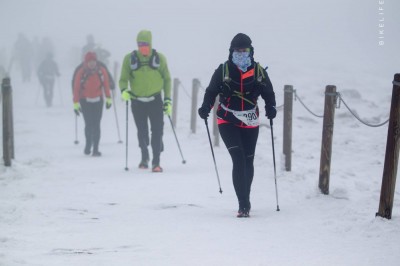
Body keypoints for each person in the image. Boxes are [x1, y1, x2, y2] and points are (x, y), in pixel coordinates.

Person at [198, 33, 276, 218]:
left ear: (251, 51)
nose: (241, 53)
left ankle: (245, 198)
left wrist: (271, 107)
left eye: (244, 50)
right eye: (237, 50)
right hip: (227, 119)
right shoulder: (223, 70)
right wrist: (205, 108)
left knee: (248, 160)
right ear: (231, 51)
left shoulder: (258, 71)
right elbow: (211, 91)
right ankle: (243, 203)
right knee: (238, 158)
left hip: (250, 120)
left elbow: (269, 92)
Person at [119, 29, 171, 173]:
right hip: (137, 101)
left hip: (155, 100)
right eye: (140, 44)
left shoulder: (159, 58)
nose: (143, 47)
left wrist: (167, 100)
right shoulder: (129, 59)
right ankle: (144, 156)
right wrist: (124, 91)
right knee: (142, 131)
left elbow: (167, 80)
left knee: (157, 131)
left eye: (145, 44)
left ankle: (156, 162)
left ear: (150, 43)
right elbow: (123, 79)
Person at [72, 52, 112, 156]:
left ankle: (96, 149)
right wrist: (75, 103)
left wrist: (108, 98)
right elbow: (76, 88)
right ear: (86, 62)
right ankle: (88, 144)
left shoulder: (101, 71)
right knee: (89, 124)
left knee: (97, 124)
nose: (92, 63)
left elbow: (106, 85)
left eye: (93, 61)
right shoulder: (81, 72)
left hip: (98, 100)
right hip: (85, 101)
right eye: (90, 61)